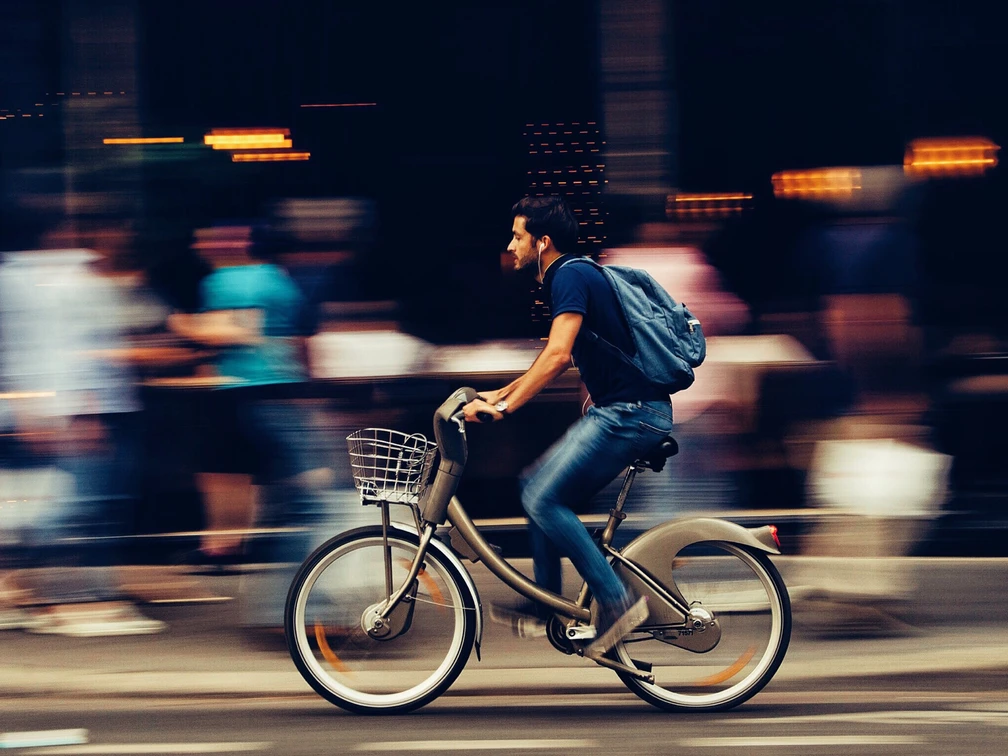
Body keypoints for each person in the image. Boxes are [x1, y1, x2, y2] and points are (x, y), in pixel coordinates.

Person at [463, 196, 674, 656]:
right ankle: (547, 604)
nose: (510, 244)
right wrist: (500, 393)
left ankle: (618, 602)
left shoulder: (570, 275)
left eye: (517, 236)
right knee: (533, 484)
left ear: (543, 242)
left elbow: (558, 355)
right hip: (621, 411)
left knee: (542, 497)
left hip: (631, 413)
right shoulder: (573, 274)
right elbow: (555, 360)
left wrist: (506, 409)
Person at [168, 223, 336, 634]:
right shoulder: (278, 280)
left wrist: (179, 324)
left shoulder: (228, 280)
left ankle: (285, 608)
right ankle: (297, 609)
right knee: (309, 500)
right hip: (275, 397)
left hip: (247, 397)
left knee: (299, 502)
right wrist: (309, 392)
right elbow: (295, 343)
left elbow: (231, 331)